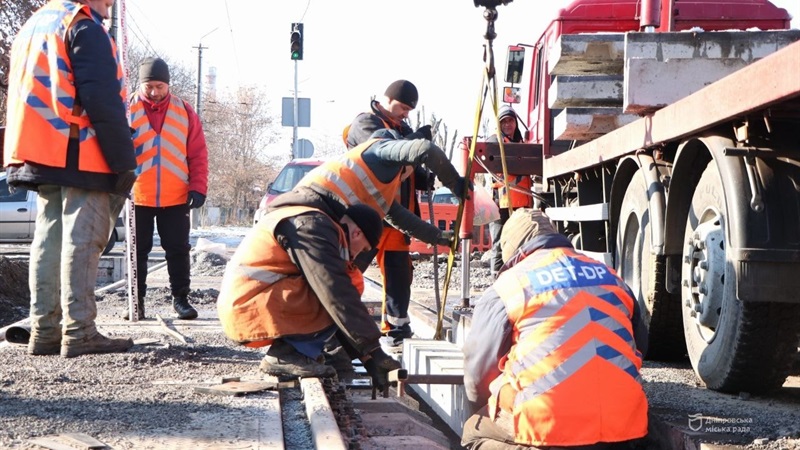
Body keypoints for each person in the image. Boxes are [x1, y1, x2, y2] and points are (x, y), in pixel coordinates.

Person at [3, 0, 138, 357]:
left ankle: (45, 331)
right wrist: (124, 162)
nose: (111, 2)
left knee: (49, 239)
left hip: (39, 147)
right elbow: (102, 99)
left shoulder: (36, 24)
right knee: (84, 239)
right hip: (78, 148)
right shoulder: (84, 27)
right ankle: (80, 332)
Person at [462, 209, 649, 449]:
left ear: (513, 253)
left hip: (550, 431)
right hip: (626, 429)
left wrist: (486, 403)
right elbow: (640, 345)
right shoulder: (611, 276)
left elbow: (478, 372)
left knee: (473, 432)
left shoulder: (510, 285)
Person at [217, 199, 402, 387]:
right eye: (363, 249)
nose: (357, 256)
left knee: (340, 285)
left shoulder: (313, 221)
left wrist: (368, 359)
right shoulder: (315, 229)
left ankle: (296, 351)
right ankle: (288, 355)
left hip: (247, 306)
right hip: (248, 307)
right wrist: (375, 351)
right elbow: (335, 295)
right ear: (356, 233)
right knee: (347, 284)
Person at [343, 79, 436, 349]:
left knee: (398, 273)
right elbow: (384, 153)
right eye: (402, 107)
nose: (405, 113)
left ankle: (396, 328)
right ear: (386, 99)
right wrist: (414, 142)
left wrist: (428, 174)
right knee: (348, 271)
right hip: (368, 215)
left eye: (409, 110)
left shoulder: (402, 129)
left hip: (397, 219)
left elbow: (415, 175)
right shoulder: (365, 124)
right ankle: (332, 325)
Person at [129, 57, 209, 320]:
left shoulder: (184, 111)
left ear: (168, 86)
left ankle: (180, 299)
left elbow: (197, 154)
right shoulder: (125, 109)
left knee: (177, 248)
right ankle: (136, 301)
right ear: (141, 84)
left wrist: (198, 186)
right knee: (137, 251)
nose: (154, 92)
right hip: (136, 195)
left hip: (176, 197)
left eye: (160, 86)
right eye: (149, 86)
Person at [487, 105, 533, 279]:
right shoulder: (494, 142)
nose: (508, 124)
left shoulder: (522, 144)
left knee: (521, 241)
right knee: (499, 244)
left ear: (515, 123)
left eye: (510, 121)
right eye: (504, 121)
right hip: (502, 204)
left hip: (522, 204)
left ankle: (516, 279)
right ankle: (496, 282)